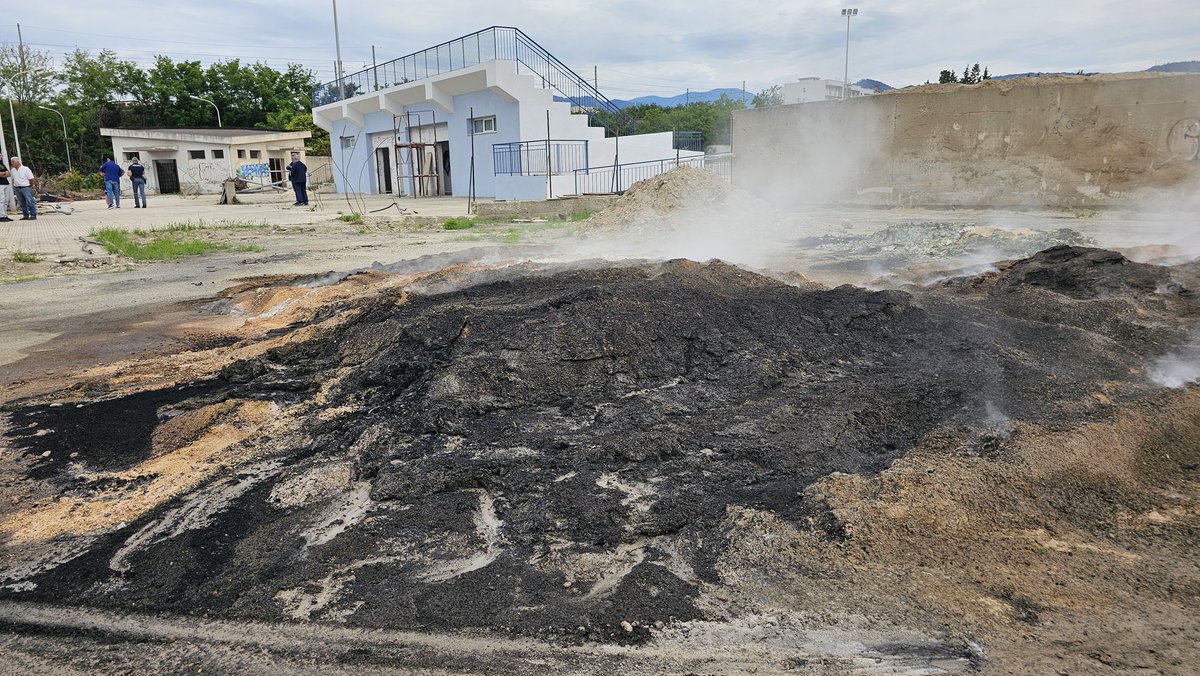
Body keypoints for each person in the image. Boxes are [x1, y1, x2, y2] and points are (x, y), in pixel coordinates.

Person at [9, 156, 36, 220]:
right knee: (22, 203)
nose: (12, 163)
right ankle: (25, 215)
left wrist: (30, 186)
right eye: (11, 162)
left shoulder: (25, 169)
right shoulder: (13, 170)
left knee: (30, 201)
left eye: (13, 162)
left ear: (17, 161)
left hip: (25, 187)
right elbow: (12, 179)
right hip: (17, 188)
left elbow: (31, 178)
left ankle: (33, 215)